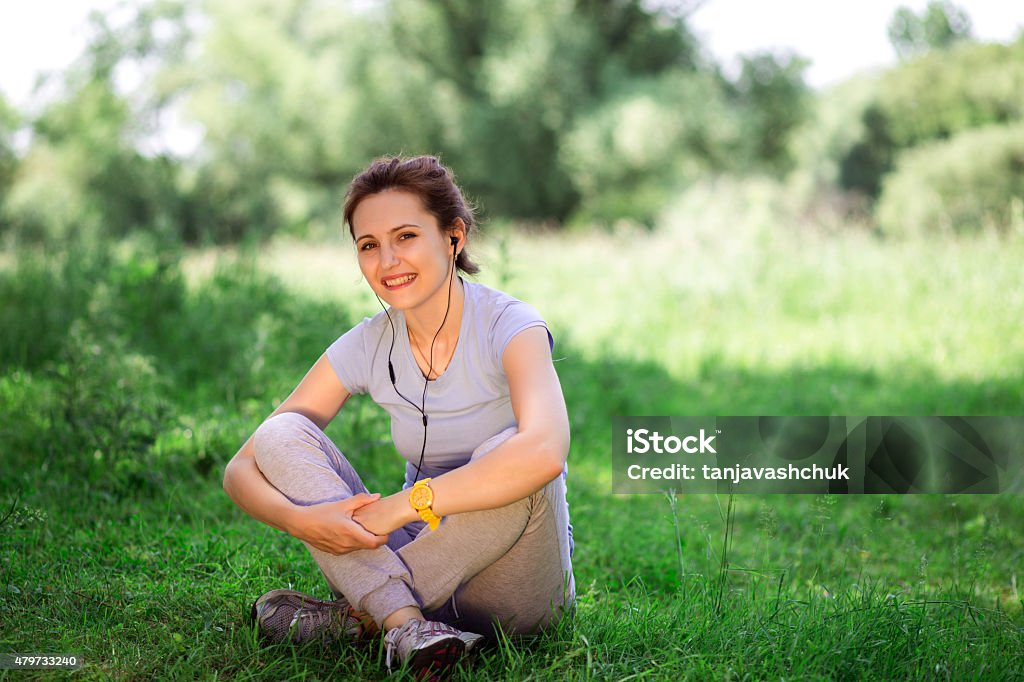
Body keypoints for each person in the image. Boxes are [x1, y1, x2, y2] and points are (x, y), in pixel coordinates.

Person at [222, 155, 575, 679]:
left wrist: (398, 509)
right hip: (418, 553)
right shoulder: (369, 342)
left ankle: (361, 617)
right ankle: (407, 623)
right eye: (369, 245)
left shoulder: (511, 326)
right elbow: (241, 468)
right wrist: (304, 521)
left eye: (406, 236)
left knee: (512, 456)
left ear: (453, 237)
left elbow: (546, 452)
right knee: (281, 432)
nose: (388, 261)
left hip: (513, 584)